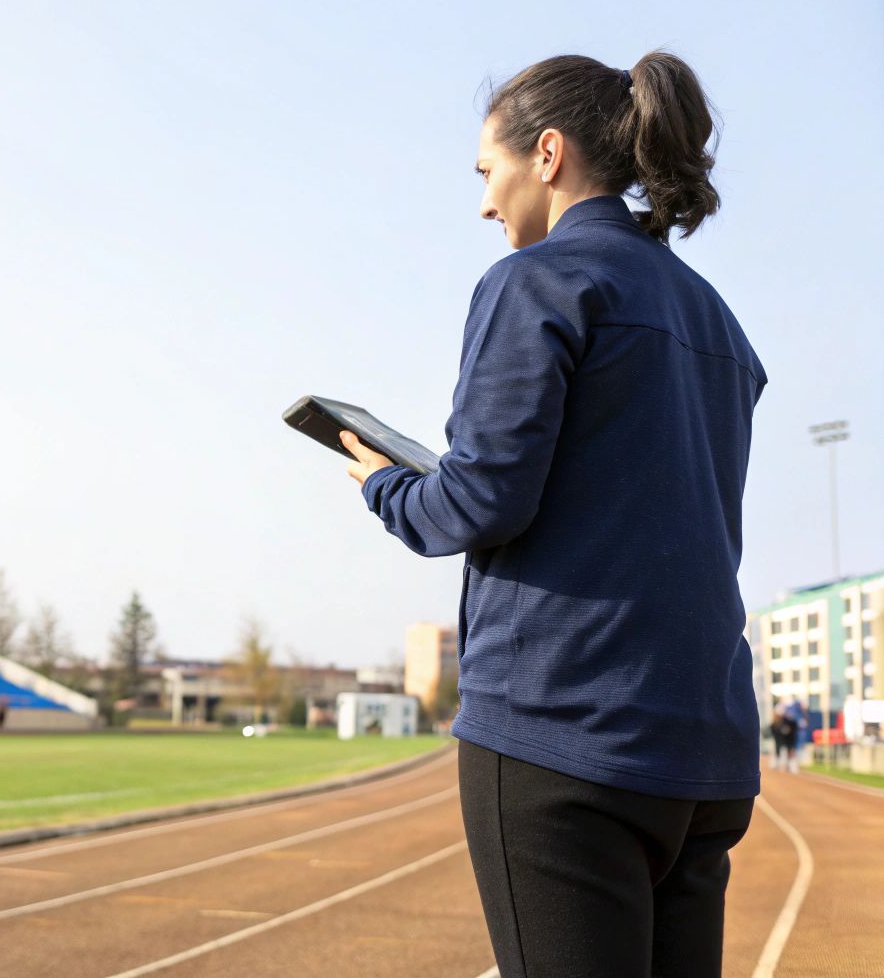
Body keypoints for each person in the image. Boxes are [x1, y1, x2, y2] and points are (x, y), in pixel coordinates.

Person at [338, 50, 764, 978]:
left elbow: (481, 497)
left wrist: (383, 483)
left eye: (486, 173)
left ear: (547, 153)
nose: (484, 204)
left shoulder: (535, 284)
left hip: (565, 731)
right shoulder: (721, 322)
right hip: (705, 745)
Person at [769, 706, 799, 773]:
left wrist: (789, 731)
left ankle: (792, 766)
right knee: (777, 749)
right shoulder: (774, 724)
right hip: (779, 739)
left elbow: (794, 730)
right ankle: (775, 763)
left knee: (791, 750)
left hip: (790, 739)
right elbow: (774, 734)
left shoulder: (790, 722)